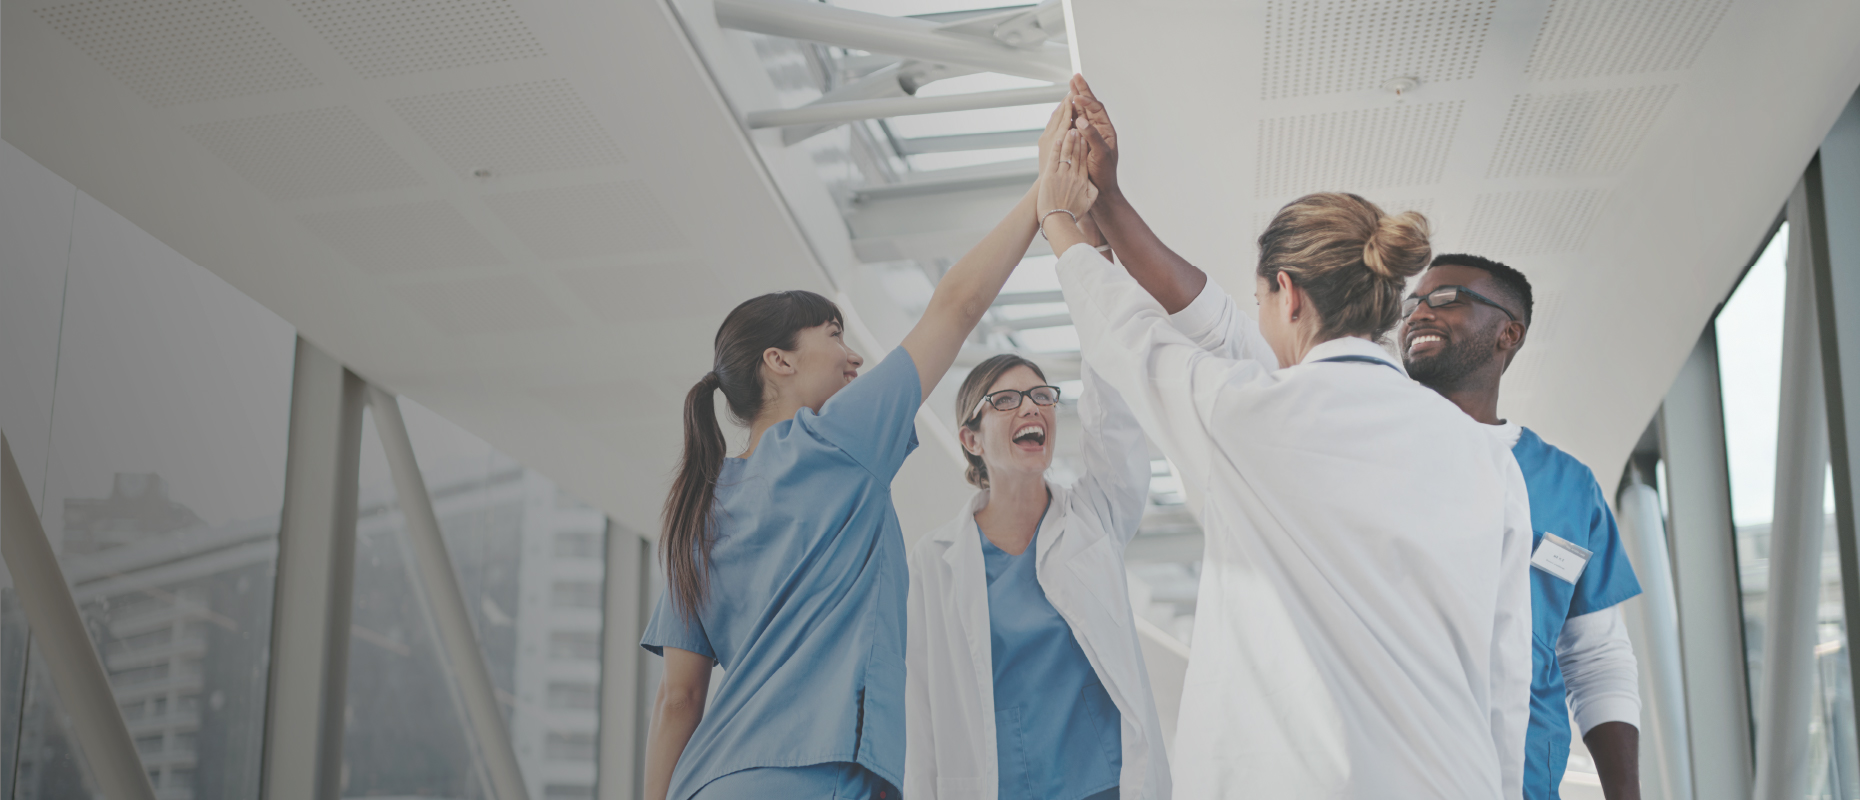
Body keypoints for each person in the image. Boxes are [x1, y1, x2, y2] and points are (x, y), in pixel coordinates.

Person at [1043, 74, 1533, 799]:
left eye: (1260, 300)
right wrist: (1110, 203)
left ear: (1288, 294)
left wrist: (1059, 215)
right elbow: (1507, 679)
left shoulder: (1248, 417)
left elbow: (1132, 338)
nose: (1257, 320)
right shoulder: (1488, 459)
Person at [636, 99, 1093, 800]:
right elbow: (956, 307)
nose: (853, 358)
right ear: (778, 362)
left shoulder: (697, 506)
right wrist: (1044, 194)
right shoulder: (835, 439)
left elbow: (678, 699)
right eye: (833, 336)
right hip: (815, 781)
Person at [1401, 253, 1643, 800]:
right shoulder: (1371, 454)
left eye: (1446, 299)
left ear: (1508, 333)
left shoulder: (1569, 487)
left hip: (1525, 781)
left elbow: (1596, 657)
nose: (1419, 314)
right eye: (1411, 304)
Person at [904, 345, 1171, 800]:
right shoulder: (934, 560)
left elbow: (1115, 428)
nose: (1031, 407)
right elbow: (921, 706)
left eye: (1042, 396)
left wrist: (1098, 318)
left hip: (1103, 786)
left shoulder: (1093, 517)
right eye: (1006, 400)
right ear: (971, 440)